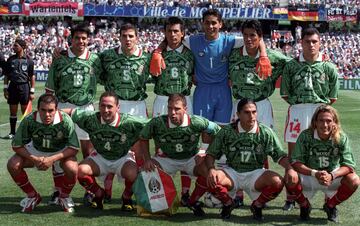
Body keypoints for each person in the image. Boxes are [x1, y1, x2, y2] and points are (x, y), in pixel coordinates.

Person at [195, 99, 297, 220]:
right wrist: (211, 169)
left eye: (254, 112)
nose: (251, 116)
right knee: (211, 177)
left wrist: (290, 168)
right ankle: (228, 203)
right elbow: (211, 154)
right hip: (232, 172)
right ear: (238, 114)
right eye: (247, 112)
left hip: (255, 174)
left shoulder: (265, 132)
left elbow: (279, 155)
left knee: (278, 182)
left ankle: (257, 205)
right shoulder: (227, 131)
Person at [280, 27, 339, 210]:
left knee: (326, 154)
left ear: (320, 43)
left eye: (314, 41)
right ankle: (291, 198)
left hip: (320, 112)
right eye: (307, 41)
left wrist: (317, 108)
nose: (311, 45)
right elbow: (285, 93)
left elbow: (333, 96)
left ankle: (329, 200)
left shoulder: (329, 67)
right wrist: (301, 104)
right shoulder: (291, 65)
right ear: (301, 43)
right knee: (293, 155)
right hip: (298, 111)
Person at [45, 23, 103, 205]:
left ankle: (89, 189)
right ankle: (58, 190)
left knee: (88, 150)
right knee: (59, 149)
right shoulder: (60, 60)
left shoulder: (95, 59)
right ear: (72, 39)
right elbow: (49, 90)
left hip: (86, 108)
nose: (81, 41)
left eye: (84, 38)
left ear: (89, 40)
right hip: (62, 107)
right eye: (77, 38)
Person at [65, 91, 148, 211]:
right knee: (81, 171)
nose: (106, 110)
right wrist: (53, 116)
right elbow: (69, 112)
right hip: (100, 157)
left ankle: (126, 197)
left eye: (110, 106)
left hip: (122, 158)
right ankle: (98, 193)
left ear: (118, 107)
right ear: (99, 106)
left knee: (134, 174)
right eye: (103, 106)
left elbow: (153, 124)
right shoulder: (91, 118)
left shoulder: (129, 122)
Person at [98, 23, 151, 202]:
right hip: (115, 106)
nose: (127, 39)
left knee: (137, 151)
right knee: (112, 146)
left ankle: (128, 192)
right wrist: (63, 53)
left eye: (131, 36)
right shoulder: (107, 56)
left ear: (137, 38)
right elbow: (87, 60)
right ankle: (107, 190)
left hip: (137, 106)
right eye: (124, 36)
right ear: (119, 37)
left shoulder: (147, 58)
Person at [141, 93, 220, 210]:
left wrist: (205, 150)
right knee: (146, 169)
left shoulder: (196, 121)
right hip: (167, 158)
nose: (172, 112)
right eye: (170, 108)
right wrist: (147, 159)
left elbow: (218, 132)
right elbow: (143, 137)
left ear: (185, 109)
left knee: (208, 170)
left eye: (177, 109)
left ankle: (192, 200)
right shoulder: (157, 123)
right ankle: (161, 204)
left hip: (191, 159)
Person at [7, 93, 79, 213]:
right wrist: (35, 158)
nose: (47, 114)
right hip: (36, 149)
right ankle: (32, 195)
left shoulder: (65, 120)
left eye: (51, 110)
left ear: (57, 109)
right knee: (13, 164)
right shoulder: (29, 120)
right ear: (37, 109)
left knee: (72, 168)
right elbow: (16, 145)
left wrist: (52, 159)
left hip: (60, 150)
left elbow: (74, 147)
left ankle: (64, 196)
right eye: (43, 110)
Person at [288, 105, 359, 222]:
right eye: (321, 120)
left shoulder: (341, 137)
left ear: (334, 122)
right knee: (290, 177)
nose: (325, 125)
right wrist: (315, 173)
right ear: (315, 122)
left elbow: (349, 165)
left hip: (332, 176)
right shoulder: (306, 136)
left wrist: (332, 176)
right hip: (310, 174)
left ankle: (330, 206)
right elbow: (295, 162)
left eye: (328, 121)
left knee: (354, 180)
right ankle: (304, 206)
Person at [151, 17, 194, 205]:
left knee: (187, 144)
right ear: (165, 33)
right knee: (160, 145)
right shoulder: (156, 54)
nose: (173, 34)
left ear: (182, 33)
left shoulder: (190, 54)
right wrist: (157, 51)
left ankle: (185, 193)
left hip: (185, 101)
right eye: (169, 31)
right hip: (162, 100)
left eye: (176, 31)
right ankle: (163, 192)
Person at [3, 39, 35, 139]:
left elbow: (32, 76)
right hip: (12, 87)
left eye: (16, 46)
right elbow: (6, 75)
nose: (14, 47)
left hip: (24, 87)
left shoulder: (29, 60)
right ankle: (12, 133)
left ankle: (26, 134)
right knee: (13, 111)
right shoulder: (10, 59)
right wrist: (5, 89)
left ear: (22, 47)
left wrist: (32, 91)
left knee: (25, 113)